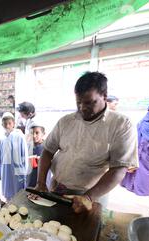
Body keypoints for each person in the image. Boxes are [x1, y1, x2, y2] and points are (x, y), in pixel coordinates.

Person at [31, 72, 138, 213]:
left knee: (85, 231)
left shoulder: (121, 125)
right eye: (78, 102)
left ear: (104, 96)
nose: (82, 108)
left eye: (89, 102)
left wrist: (88, 197)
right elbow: (48, 151)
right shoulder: (66, 121)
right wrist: (40, 183)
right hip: (58, 187)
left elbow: (119, 169)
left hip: (91, 194)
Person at [0, 112, 28, 201]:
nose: (7, 126)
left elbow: (24, 155)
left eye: (9, 123)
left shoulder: (19, 136)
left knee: (18, 194)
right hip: (6, 170)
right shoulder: (2, 139)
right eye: (5, 123)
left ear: (14, 124)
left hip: (17, 170)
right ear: (2, 124)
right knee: (8, 194)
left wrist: (24, 172)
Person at [26, 123, 46, 188]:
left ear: (43, 134)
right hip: (29, 183)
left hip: (42, 185)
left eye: (37, 133)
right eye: (32, 133)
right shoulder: (28, 148)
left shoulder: (46, 149)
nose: (34, 136)